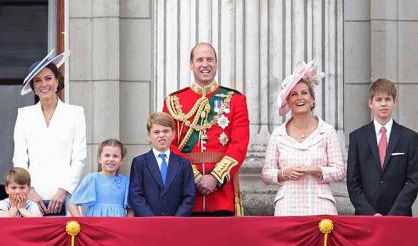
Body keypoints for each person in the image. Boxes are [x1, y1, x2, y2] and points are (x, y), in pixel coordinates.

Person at [163, 42, 249, 215]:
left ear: (216, 64)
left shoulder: (235, 100)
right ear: (191, 64)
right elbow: (167, 144)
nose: (205, 64)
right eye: (199, 60)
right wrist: (195, 177)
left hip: (221, 194)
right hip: (185, 193)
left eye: (210, 60)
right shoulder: (174, 101)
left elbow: (239, 145)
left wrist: (215, 178)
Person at [261, 61, 346, 216]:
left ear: (312, 99)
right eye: (294, 94)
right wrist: (283, 173)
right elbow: (266, 173)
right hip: (287, 207)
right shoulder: (278, 134)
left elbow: (340, 171)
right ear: (288, 102)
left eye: (304, 93)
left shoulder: (327, 131)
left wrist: (316, 169)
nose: (299, 98)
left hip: (321, 206)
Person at [12, 49, 86, 215]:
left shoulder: (75, 113)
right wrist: (28, 190)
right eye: (37, 81)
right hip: (32, 196)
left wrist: (64, 190)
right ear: (33, 87)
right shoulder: (24, 115)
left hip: (67, 195)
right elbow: (19, 158)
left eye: (48, 78)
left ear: (57, 81)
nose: (43, 84)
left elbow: (79, 157)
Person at [346, 79, 418, 216]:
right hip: (366, 217)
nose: (384, 104)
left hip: (399, 217)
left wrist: (394, 214)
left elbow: (413, 181)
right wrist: (371, 214)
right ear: (371, 103)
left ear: (395, 102)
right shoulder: (357, 137)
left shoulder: (409, 137)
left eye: (388, 99)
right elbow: (353, 182)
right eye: (379, 99)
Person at [128, 112, 195, 217]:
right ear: (149, 136)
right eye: (156, 132)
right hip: (147, 224)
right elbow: (136, 195)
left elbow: (189, 196)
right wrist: (152, 220)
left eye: (166, 131)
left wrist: (176, 220)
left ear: (173, 134)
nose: (161, 135)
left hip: (176, 225)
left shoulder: (184, 164)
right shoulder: (139, 162)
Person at [68, 139, 130, 217]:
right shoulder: (92, 179)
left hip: (118, 225)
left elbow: (130, 208)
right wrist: (81, 223)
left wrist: (127, 225)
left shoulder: (126, 182)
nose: (111, 159)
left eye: (115, 156)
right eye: (107, 155)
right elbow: (72, 203)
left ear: (121, 161)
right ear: (99, 159)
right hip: (95, 225)